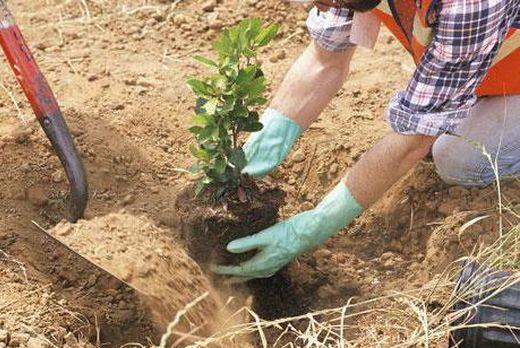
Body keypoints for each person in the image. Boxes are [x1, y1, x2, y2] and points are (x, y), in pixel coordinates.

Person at [212, 0, 520, 280]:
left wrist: (311, 228)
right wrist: (258, 151)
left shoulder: (470, 5)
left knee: (460, 159)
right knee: (439, 123)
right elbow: (325, 59)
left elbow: (412, 141)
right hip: (491, 68)